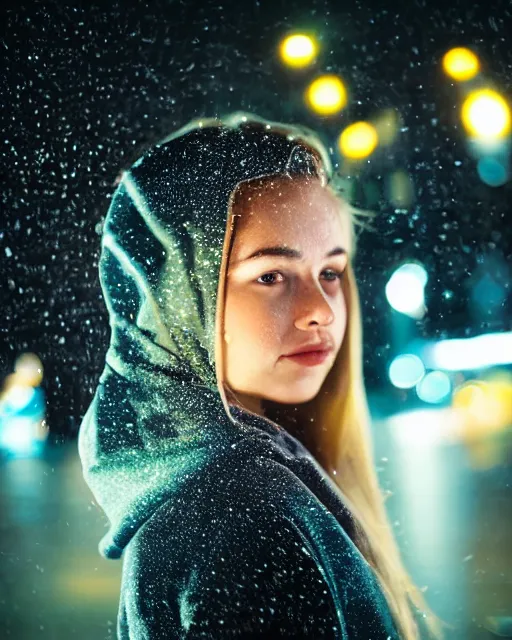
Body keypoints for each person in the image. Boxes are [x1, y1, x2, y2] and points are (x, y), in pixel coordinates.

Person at [78, 112, 446, 639]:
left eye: (330, 272)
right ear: (173, 300)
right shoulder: (243, 520)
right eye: (271, 275)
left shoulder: (217, 494)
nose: (321, 308)